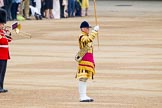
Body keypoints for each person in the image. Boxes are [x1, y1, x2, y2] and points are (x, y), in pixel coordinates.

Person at [76, 21, 99, 102]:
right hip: (83, 60)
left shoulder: (86, 35)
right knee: (82, 77)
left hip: (88, 60)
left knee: (85, 78)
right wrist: (95, 31)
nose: (88, 29)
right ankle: (82, 96)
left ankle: (84, 95)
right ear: (83, 28)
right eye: (87, 28)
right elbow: (88, 40)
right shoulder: (81, 36)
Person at [0, 8, 12, 93]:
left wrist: (7, 34)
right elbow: (2, 40)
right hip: (0, 54)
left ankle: (1, 86)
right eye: (1, 23)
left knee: (2, 72)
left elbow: (9, 40)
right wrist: (5, 35)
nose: (3, 25)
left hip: (4, 54)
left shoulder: (2, 31)